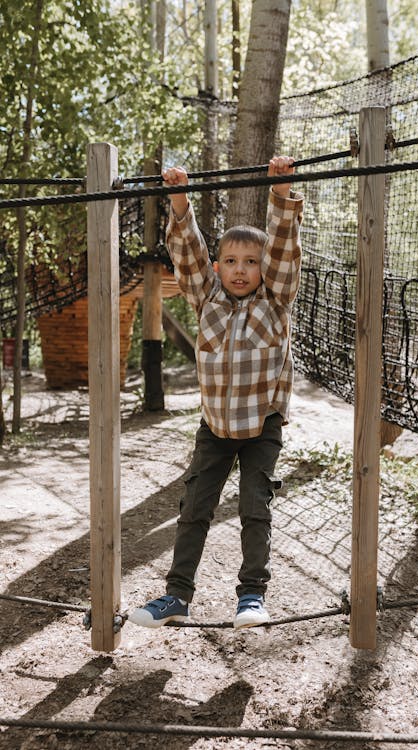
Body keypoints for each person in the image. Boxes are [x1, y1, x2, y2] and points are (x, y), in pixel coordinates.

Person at [128, 155, 304, 630]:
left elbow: (285, 251)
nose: (240, 270)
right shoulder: (206, 295)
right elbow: (186, 252)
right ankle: (176, 595)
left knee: (253, 509)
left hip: (261, 427)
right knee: (193, 510)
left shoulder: (275, 300)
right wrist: (179, 198)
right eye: (230, 261)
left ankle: (251, 596)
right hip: (214, 428)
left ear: (263, 268)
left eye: (250, 262)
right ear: (217, 266)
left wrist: (282, 196)